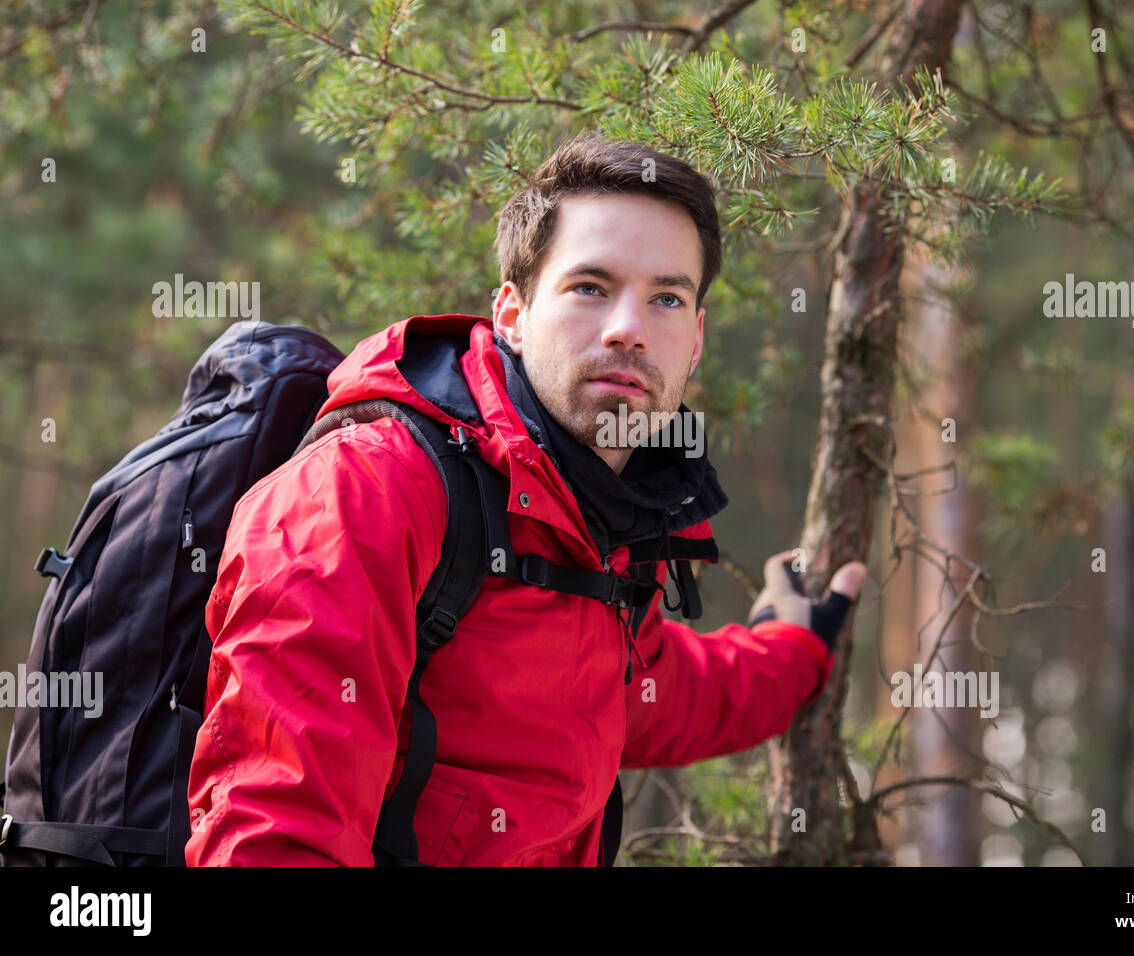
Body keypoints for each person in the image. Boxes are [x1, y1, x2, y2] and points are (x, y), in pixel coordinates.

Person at [184, 133, 867, 866]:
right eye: (590, 287)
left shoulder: (606, 513)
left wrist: (791, 650)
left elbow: (643, 695)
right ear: (511, 312)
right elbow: (276, 833)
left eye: (666, 298)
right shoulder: (365, 491)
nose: (629, 330)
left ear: (695, 340)